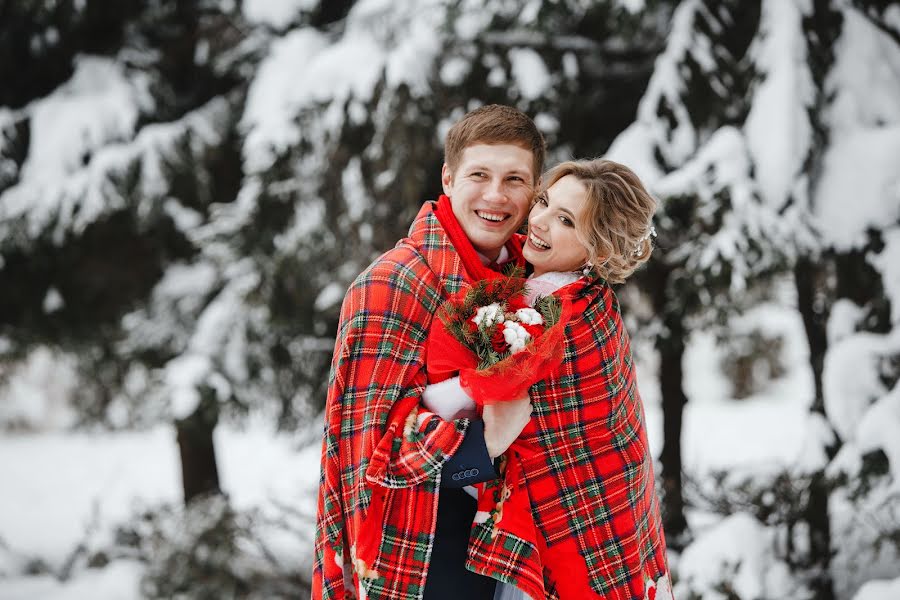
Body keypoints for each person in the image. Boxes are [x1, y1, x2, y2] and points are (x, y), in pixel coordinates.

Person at [313, 104, 545, 600]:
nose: (495, 195)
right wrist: (482, 444)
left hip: (522, 552)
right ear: (447, 177)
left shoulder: (537, 282)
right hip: (420, 556)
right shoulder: (392, 285)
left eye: (515, 179)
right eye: (479, 174)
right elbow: (367, 457)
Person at [421, 159, 673, 600]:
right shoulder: (554, 290)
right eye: (544, 202)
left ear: (599, 250)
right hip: (571, 526)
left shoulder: (568, 322)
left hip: (575, 529)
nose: (537, 221)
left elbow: (493, 405)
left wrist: (426, 396)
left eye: (565, 220)